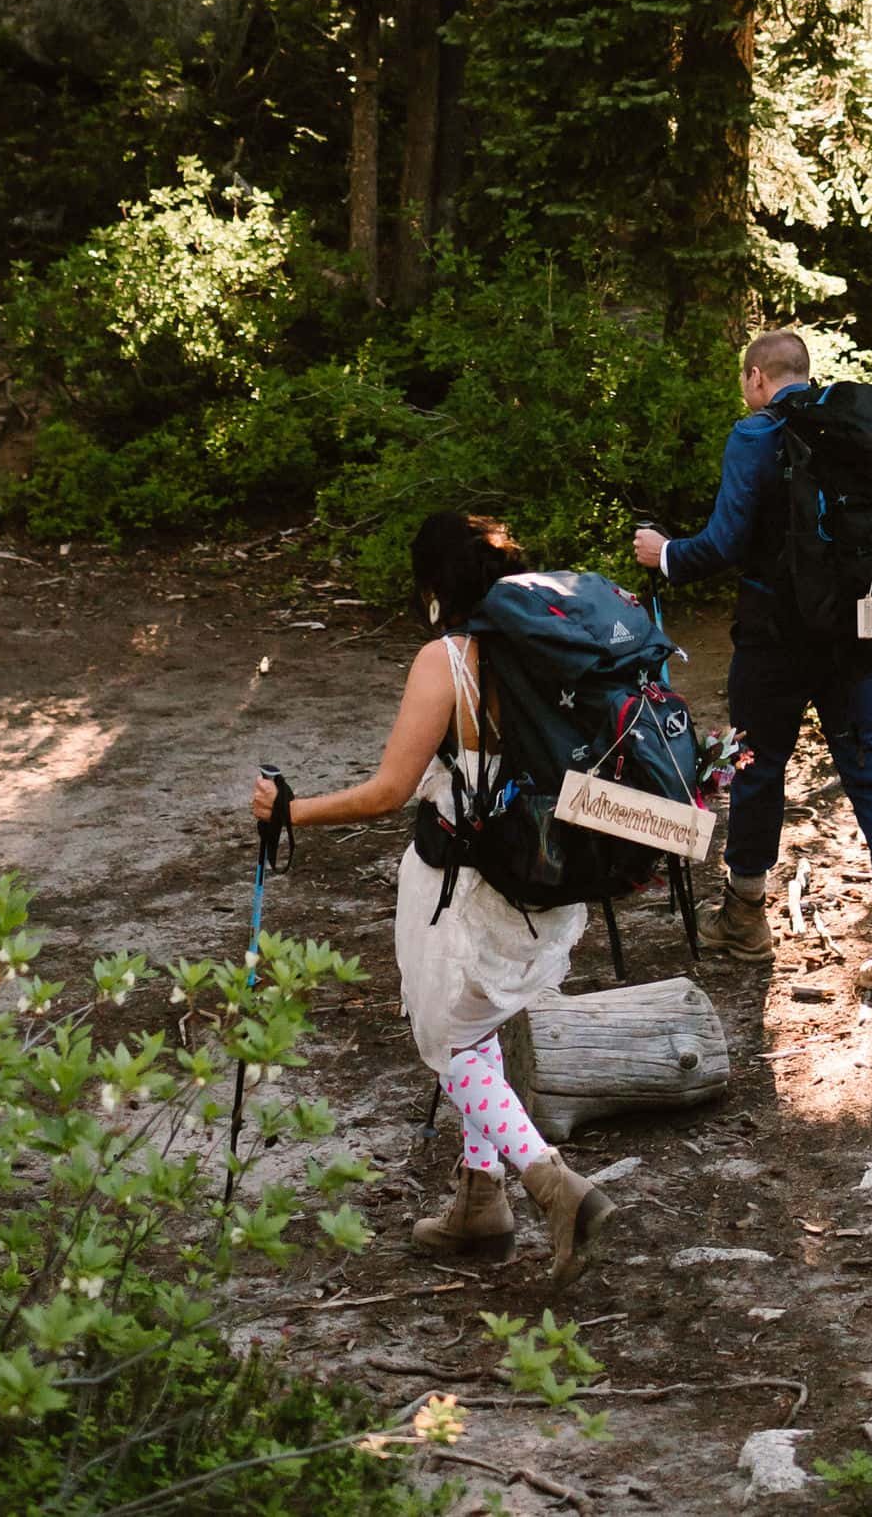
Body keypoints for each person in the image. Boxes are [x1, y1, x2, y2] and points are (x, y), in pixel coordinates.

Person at [249, 509, 614, 1286]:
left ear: (433, 587)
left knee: (449, 1043)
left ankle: (556, 1189)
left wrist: (291, 811)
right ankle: (480, 1203)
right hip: (549, 878)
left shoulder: (447, 661)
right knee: (477, 1031)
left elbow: (388, 792)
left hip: (467, 886)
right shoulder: (550, 646)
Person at [633, 327, 872, 991]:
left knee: (757, 766)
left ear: (756, 377)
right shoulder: (846, 432)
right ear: (804, 372)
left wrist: (663, 553)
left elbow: (722, 543)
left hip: (775, 636)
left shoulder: (755, 435)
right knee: (869, 767)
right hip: (856, 631)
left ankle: (746, 914)